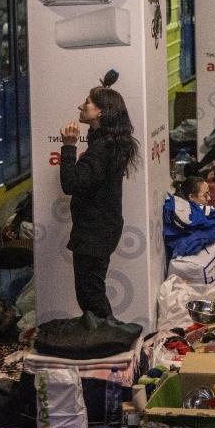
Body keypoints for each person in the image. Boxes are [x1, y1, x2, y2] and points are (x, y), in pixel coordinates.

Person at [59, 86, 139, 319]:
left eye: (87, 103)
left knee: (90, 294)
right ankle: (109, 338)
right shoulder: (108, 141)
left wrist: (68, 146)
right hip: (102, 227)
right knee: (92, 290)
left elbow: (71, 184)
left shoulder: (101, 149)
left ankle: (112, 340)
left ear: (101, 112)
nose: (81, 107)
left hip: (95, 231)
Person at [162, 177, 215, 261]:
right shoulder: (191, 215)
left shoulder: (178, 210)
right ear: (191, 197)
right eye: (205, 195)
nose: (209, 198)